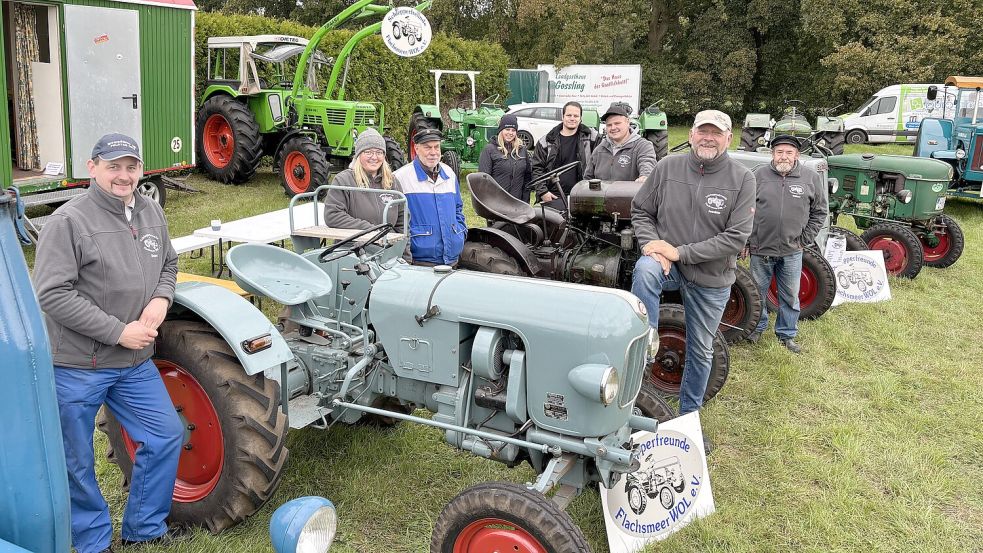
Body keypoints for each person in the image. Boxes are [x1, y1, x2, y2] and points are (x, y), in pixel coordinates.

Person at [33, 133, 185, 552]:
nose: (123, 175)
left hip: (133, 362)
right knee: (75, 459)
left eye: (131, 166)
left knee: (166, 434)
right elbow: (52, 294)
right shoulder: (69, 222)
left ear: (140, 169)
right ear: (93, 167)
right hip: (78, 364)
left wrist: (160, 297)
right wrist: (118, 331)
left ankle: (144, 528)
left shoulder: (151, 210)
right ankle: (93, 540)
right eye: (113, 166)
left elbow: (168, 262)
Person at [630, 110, 756, 417]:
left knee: (700, 351)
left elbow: (736, 238)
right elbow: (640, 210)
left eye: (716, 133)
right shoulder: (667, 167)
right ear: (690, 135)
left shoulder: (742, 178)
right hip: (667, 268)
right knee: (645, 268)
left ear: (729, 138)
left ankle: (688, 416)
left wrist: (679, 252)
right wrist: (652, 246)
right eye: (703, 131)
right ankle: (644, 340)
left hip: (711, 278)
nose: (708, 138)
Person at [745, 135, 828, 353]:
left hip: (792, 250)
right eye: (779, 152)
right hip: (761, 249)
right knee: (756, 293)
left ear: (796, 155)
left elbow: (820, 211)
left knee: (790, 295)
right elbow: (744, 210)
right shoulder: (758, 175)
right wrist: (748, 240)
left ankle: (786, 334)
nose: (784, 156)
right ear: (772, 154)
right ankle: (756, 328)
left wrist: (805, 238)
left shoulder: (809, 178)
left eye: (789, 152)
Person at [393, 128, 467, 266]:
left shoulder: (449, 173)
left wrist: (460, 233)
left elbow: (458, 208)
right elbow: (394, 219)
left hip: (451, 259)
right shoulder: (401, 177)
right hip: (419, 260)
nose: (433, 152)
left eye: (436, 147)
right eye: (427, 148)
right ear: (416, 149)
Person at [324, 128, 405, 231]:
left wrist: (403, 245)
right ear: (358, 155)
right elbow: (332, 216)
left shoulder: (392, 182)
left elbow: (403, 221)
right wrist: (369, 230)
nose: (374, 157)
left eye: (379, 152)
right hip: (354, 245)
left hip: (389, 245)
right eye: (368, 152)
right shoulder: (343, 181)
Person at [531, 101, 599, 210]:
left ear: (581, 118)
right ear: (563, 117)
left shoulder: (593, 138)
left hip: (582, 195)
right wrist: (543, 192)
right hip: (554, 197)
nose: (572, 118)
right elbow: (537, 169)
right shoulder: (546, 141)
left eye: (576, 116)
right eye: (569, 115)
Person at [584, 102, 657, 182]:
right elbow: (587, 178)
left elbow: (647, 163)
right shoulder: (599, 149)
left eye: (617, 123)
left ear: (628, 122)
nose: (613, 128)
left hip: (629, 194)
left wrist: (645, 176)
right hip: (602, 194)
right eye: (609, 125)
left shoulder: (643, 146)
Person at [478, 113, 532, 201]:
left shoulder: (522, 150)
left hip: (517, 203)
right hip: (496, 203)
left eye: (513, 130)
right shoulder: (489, 150)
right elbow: (483, 180)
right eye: (507, 129)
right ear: (501, 130)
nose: (510, 133)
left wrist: (525, 201)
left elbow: (527, 178)